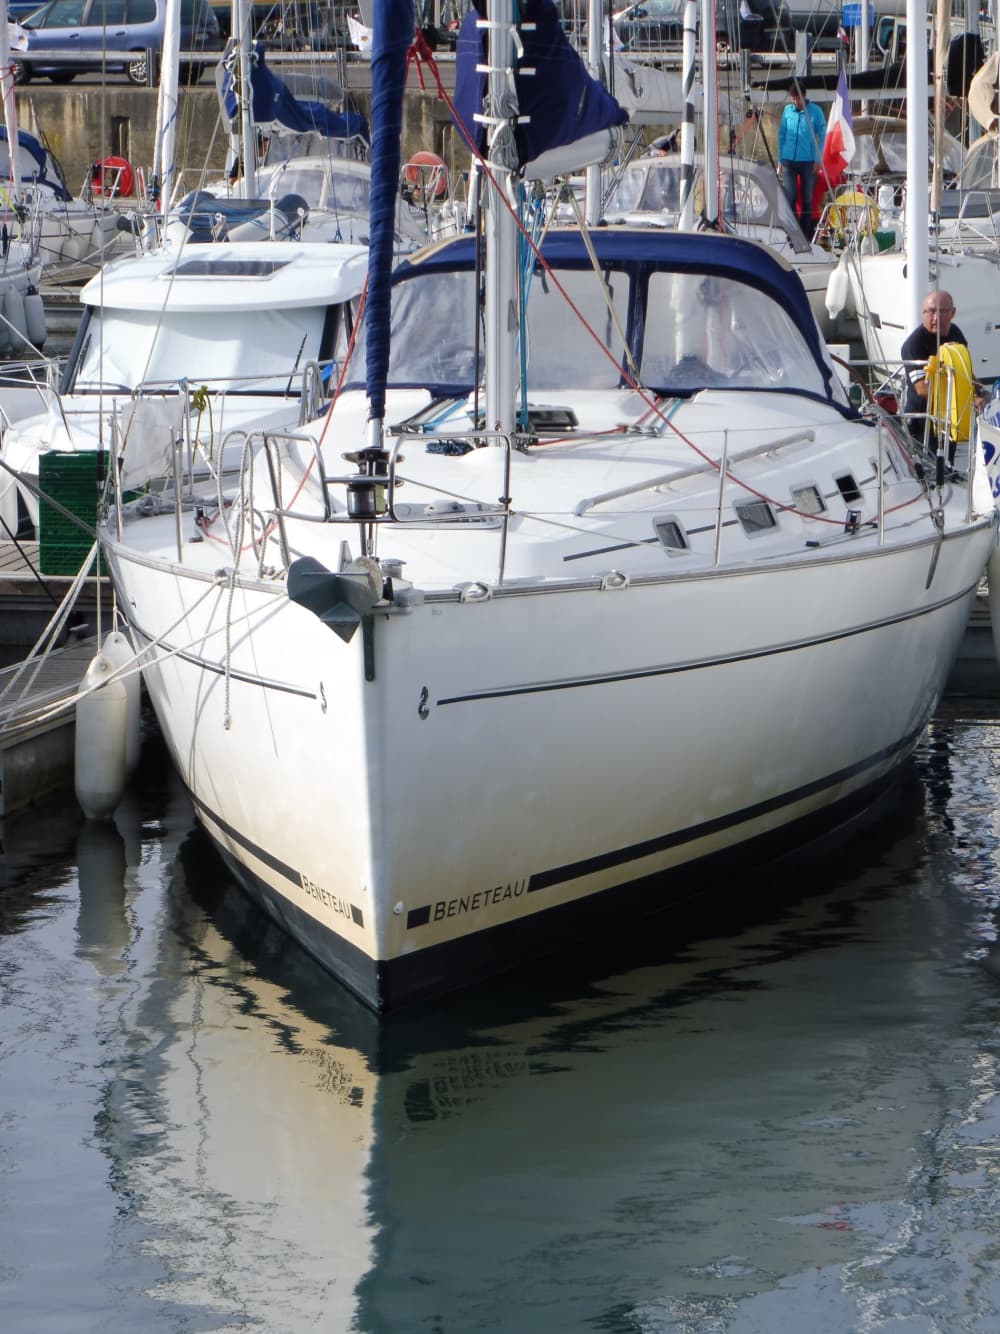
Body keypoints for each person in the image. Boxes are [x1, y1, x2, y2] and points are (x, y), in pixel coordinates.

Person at [900, 290, 973, 462]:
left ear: (953, 313)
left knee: (947, 464)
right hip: (922, 421)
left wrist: (978, 391)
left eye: (942, 312)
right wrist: (965, 398)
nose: (936, 318)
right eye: (931, 312)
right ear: (923, 312)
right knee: (929, 467)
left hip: (949, 418)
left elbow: (965, 369)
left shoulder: (955, 334)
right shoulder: (914, 344)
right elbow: (922, 388)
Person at [778, 85, 826, 237]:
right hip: (788, 160)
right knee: (790, 196)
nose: (795, 102)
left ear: (804, 96)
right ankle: (792, 233)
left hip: (807, 161)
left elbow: (823, 135)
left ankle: (805, 234)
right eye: (792, 99)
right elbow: (781, 135)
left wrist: (818, 159)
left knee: (807, 198)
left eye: (797, 99)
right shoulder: (787, 111)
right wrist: (780, 158)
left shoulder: (815, 111)